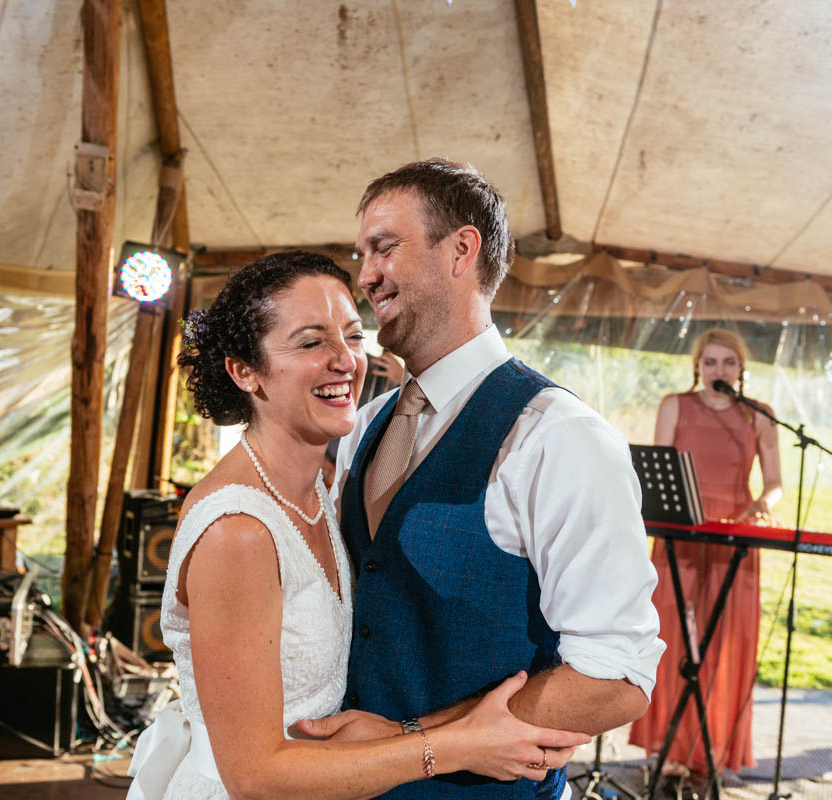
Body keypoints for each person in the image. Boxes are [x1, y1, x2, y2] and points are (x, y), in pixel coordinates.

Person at [126, 251, 587, 800]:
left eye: (352, 335)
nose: (345, 360)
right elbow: (254, 776)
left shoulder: (319, 488)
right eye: (310, 342)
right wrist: (459, 745)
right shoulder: (239, 532)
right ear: (244, 370)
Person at [300, 159, 665, 800]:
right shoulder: (363, 425)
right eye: (362, 254)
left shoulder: (559, 437)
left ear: (461, 250)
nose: (365, 276)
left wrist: (410, 739)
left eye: (384, 248)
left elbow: (616, 676)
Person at [627, 327, 782, 777]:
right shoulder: (675, 405)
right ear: (697, 366)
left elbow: (774, 484)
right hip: (679, 535)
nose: (720, 370)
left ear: (741, 369)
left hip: (736, 539)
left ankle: (714, 752)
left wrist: (758, 510)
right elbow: (655, 472)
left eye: (728, 363)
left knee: (727, 642)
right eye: (711, 362)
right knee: (670, 636)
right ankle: (664, 747)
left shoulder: (760, 415)